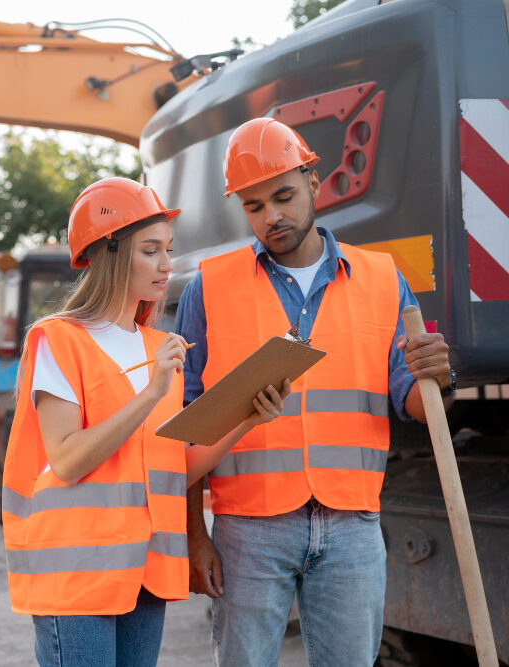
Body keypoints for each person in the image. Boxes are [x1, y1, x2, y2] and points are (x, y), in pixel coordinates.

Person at [174, 117, 455, 666]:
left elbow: (414, 401)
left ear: (313, 180)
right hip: (247, 529)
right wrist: (193, 535)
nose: (272, 217)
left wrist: (436, 376)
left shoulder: (382, 279)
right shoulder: (208, 288)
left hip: (352, 525)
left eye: (282, 196)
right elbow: (185, 424)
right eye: (254, 207)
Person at [1, 177, 290, 667]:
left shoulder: (160, 348)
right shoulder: (57, 340)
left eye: (168, 250)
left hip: (146, 571)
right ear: (111, 255)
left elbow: (175, 466)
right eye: (150, 250)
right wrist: (151, 392)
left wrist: (247, 418)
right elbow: (68, 459)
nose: (166, 265)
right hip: (76, 574)